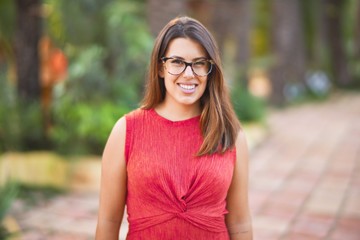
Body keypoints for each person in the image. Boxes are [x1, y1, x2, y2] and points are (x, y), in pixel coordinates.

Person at [95, 16, 252, 240]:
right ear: (161, 67)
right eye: (177, 61)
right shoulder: (126, 131)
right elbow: (108, 222)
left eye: (199, 63)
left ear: (210, 70)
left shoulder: (230, 135)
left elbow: (240, 224)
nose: (189, 74)